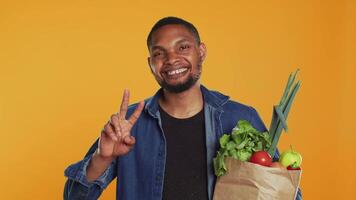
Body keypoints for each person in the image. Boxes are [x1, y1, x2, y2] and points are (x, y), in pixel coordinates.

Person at [63, 16, 302, 200]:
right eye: (159, 53)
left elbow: (287, 192)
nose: (171, 59)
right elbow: (73, 196)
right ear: (151, 65)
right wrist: (102, 158)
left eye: (183, 47)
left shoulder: (240, 118)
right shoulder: (128, 125)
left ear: (201, 51)